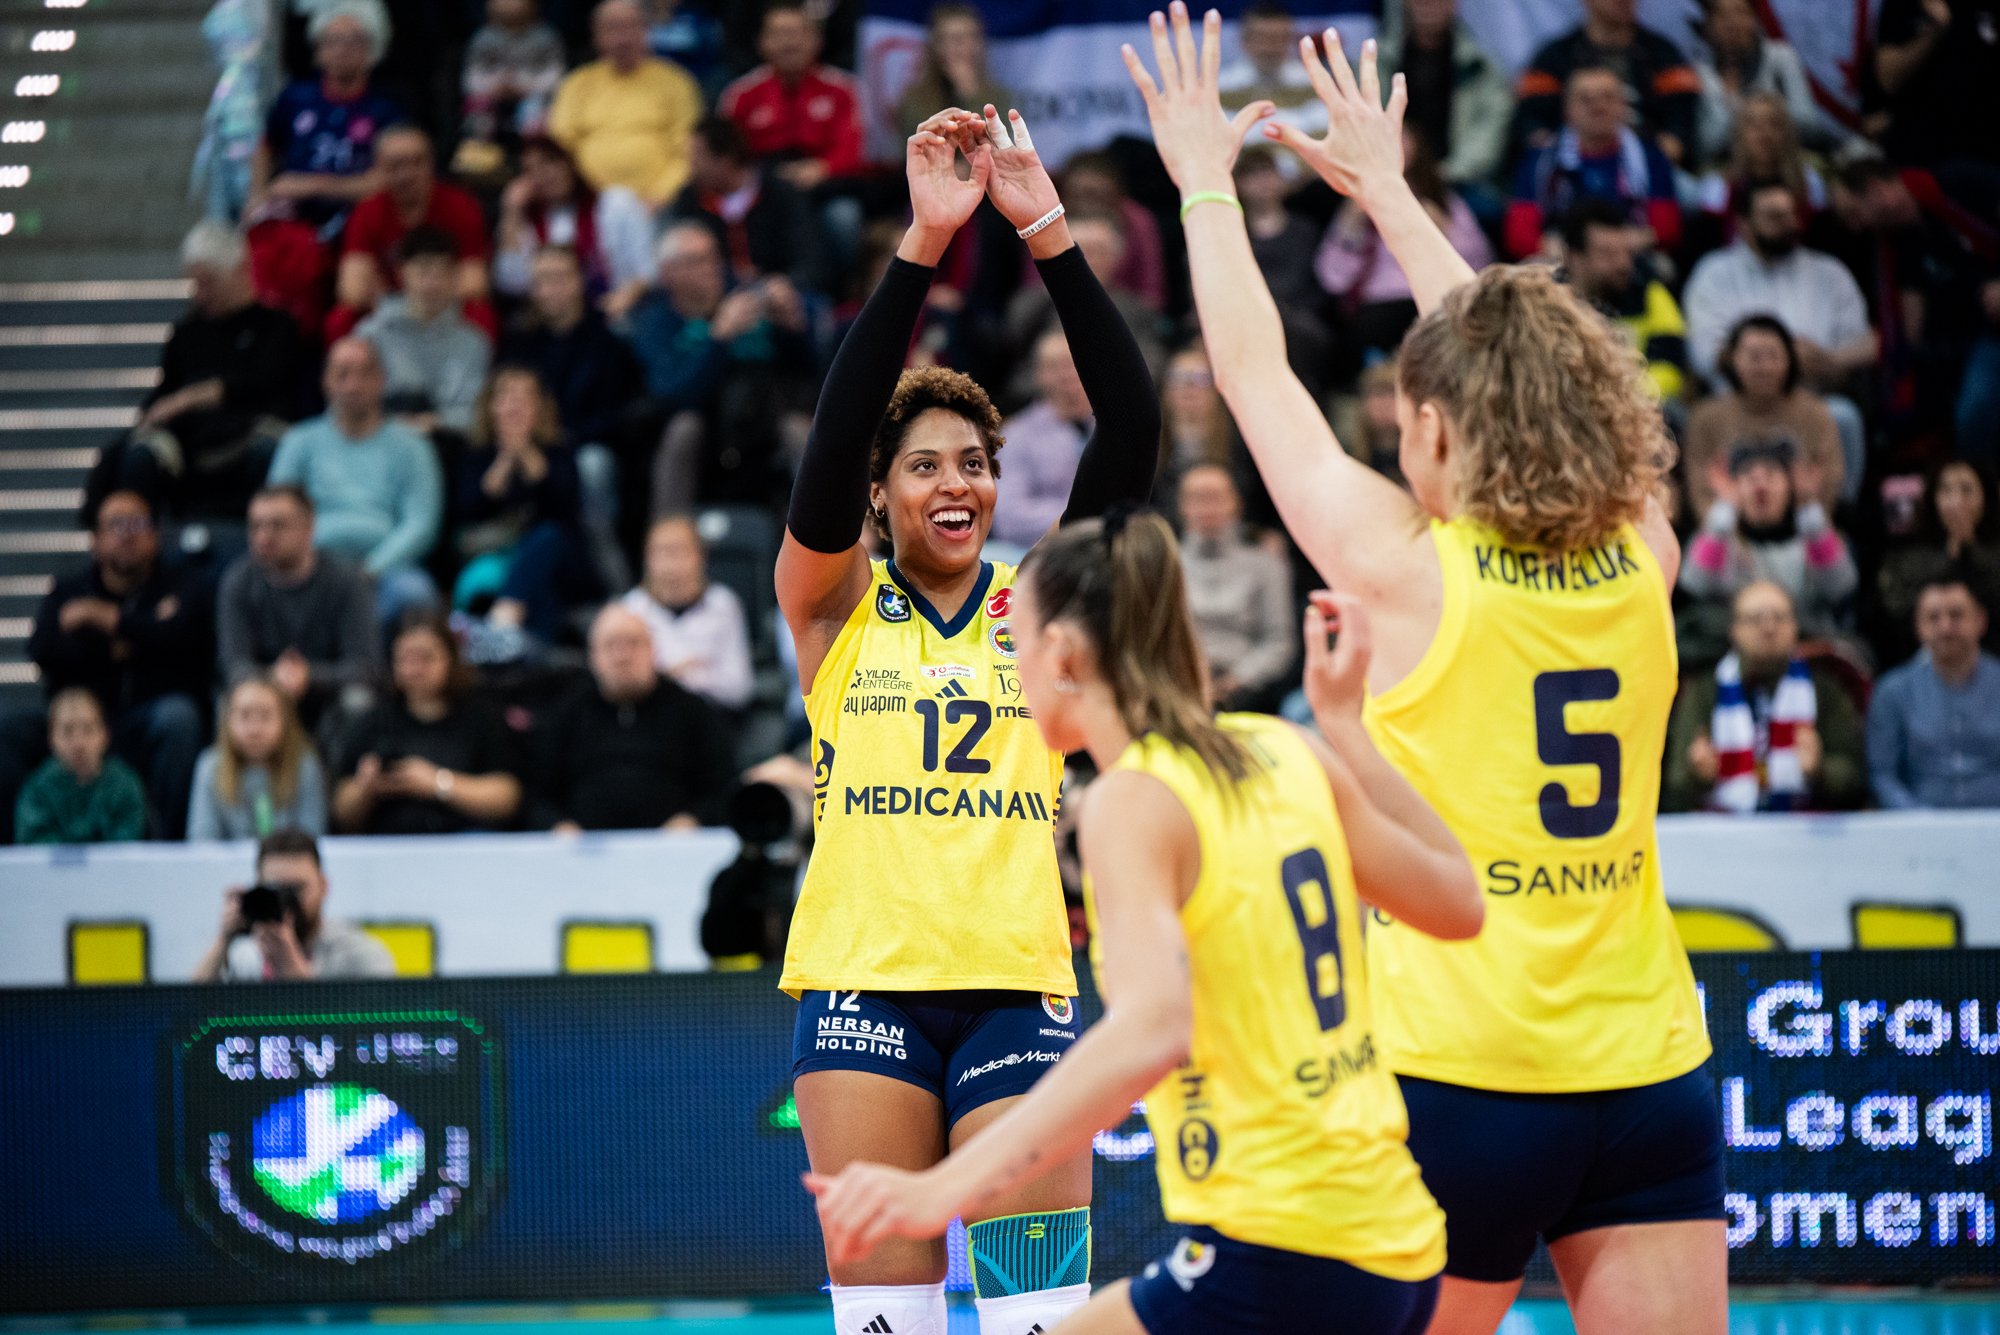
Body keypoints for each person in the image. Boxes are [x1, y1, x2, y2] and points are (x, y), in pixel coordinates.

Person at [1124, 12, 1723, 1331]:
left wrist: (1204, 183)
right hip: (1646, 1071)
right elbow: (1528, 363)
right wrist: (1389, 193)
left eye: (1407, 421)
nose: (1399, 442)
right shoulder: (1648, 549)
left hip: (1460, 1076)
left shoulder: (1406, 568)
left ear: (1442, 427)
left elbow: (1252, 375)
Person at [807, 515, 1483, 1335]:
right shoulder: (1285, 748)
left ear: (1063, 655)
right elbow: (1460, 900)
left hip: (1279, 1248)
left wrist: (940, 1189)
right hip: (1399, 1240)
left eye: (1014, 646)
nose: (1007, 670)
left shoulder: (1132, 800)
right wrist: (1343, 727)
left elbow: (1150, 1031)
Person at [774, 102, 1158, 1335]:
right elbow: (833, 438)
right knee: (884, 1320)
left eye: (976, 464)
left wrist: (1045, 231)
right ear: (879, 493)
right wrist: (924, 244)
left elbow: (1131, 425)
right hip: (860, 990)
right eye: (927, 465)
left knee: (1035, 1317)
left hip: (1016, 989)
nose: (959, 484)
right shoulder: (833, 604)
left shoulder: (1039, 602)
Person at [5, 491, 211, 843]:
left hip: (146, 721)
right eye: (116, 525)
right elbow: (42, 650)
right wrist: (135, 638)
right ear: (96, 540)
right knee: (7, 729)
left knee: (179, 720)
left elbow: (186, 641)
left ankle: (170, 847)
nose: (127, 534)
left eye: (137, 524)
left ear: (156, 535)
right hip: (79, 722)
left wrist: (103, 618)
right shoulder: (69, 589)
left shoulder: (185, 585)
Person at [90, 220, 303, 525]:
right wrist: (152, 415)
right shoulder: (186, 333)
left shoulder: (276, 326)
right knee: (132, 454)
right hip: (190, 445)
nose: (201, 294)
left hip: (251, 435)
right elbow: (166, 389)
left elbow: (265, 383)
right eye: (195, 284)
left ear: (239, 271)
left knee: (274, 451)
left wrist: (191, 398)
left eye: (209, 282)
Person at [1681, 180, 1875, 487]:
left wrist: (1828, 359)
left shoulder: (1830, 272)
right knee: (1700, 418)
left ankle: (1840, 512)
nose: (1788, 224)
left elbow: (1866, 343)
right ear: (1744, 224)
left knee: (1844, 416)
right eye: (1774, 216)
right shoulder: (1714, 273)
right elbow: (1704, 355)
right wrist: (1773, 360)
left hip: (1810, 399)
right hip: (1736, 404)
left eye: (1790, 215)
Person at [629, 222, 814, 516]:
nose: (711, 268)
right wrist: (719, 338)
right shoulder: (656, 322)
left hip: (761, 421)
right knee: (684, 429)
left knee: (799, 429)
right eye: (696, 261)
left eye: (713, 256)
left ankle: (833, 533)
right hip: (703, 433)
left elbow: (808, 376)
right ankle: (668, 532)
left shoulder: (746, 298)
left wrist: (792, 327)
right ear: (667, 274)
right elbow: (672, 393)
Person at [266, 336, 445, 630]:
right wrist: (309, 566)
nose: (353, 384)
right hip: (310, 567)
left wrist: (371, 569)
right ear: (325, 381)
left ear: (383, 379)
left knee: (415, 594)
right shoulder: (298, 442)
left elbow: (421, 524)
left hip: (387, 571)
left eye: (365, 372)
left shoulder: (413, 447)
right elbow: (277, 513)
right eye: (343, 373)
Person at [1835, 159, 2000, 467]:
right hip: (1970, 341)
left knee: (1976, 407)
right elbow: (1905, 332)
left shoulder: (1962, 185)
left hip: (1989, 335)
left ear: (1877, 191)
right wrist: (1833, 359)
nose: (1857, 228)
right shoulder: (1898, 247)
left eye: (1855, 213)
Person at [1663, 581, 1866, 813]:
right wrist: (1697, 776)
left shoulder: (1825, 689)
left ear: (1795, 626)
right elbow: (1674, 786)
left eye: (1779, 617)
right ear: (1734, 629)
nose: (1769, 628)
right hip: (1727, 829)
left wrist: (1821, 770)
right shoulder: (1704, 692)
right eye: (1755, 619)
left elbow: (1857, 781)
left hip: (1804, 825)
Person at [527, 605, 736, 830]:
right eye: (610, 645)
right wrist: (558, 827)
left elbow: (723, 788)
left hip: (675, 845)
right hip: (584, 847)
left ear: (653, 650)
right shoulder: (566, 713)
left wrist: (694, 820)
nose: (622, 656)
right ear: (593, 656)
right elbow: (536, 795)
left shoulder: (692, 711)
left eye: (633, 643)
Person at [330, 610, 522, 835]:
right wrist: (365, 788)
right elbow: (341, 814)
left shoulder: (481, 717)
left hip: (465, 840)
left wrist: (437, 783)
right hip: (389, 842)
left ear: (451, 658)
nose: (414, 670)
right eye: (404, 658)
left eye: (425, 658)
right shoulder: (374, 721)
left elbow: (508, 798)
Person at [1319, 128, 1491, 371]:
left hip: (1437, 300)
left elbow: (1479, 265)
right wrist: (1351, 230)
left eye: (1400, 135)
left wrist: (1439, 236)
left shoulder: (1443, 202)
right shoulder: (1356, 205)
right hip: (1377, 307)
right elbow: (1332, 278)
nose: (1392, 145)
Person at [452, 366, 600, 644]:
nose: (514, 407)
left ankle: (504, 616)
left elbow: (566, 511)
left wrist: (528, 456)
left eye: (524, 399)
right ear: (491, 406)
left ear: (540, 408)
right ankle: (528, 651)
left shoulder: (559, 450)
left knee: (547, 536)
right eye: (506, 397)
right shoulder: (476, 454)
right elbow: (467, 512)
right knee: (539, 587)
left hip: (562, 558)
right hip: (497, 553)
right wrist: (504, 462)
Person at [218, 484, 380, 733]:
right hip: (263, 697)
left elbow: (364, 667)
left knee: (359, 700)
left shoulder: (347, 581)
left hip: (328, 700)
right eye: (256, 526)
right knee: (234, 699)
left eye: (278, 525)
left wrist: (308, 676)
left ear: (309, 527)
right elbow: (234, 665)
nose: (264, 536)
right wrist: (273, 677)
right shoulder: (238, 582)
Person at [1680, 438, 1857, 662]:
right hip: (1732, 660)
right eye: (1749, 477)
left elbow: (1839, 585)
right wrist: (1723, 510)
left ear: (1789, 485)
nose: (1761, 485)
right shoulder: (1724, 543)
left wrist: (1808, 506)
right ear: (1735, 486)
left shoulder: (1811, 541)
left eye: (1771, 475)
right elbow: (1696, 583)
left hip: (1808, 659)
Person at [246, 1, 401, 230]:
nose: (341, 50)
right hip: (292, 221)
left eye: (354, 41)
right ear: (317, 48)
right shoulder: (295, 97)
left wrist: (314, 185)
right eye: (332, 41)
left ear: (373, 48)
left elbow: (387, 179)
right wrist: (257, 195)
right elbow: (265, 146)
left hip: (359, 221)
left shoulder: (387, 108)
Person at [1506, 64, 1680, 261]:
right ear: (1567, 108)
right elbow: (1518, 235)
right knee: (1530, 265)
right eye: (1585, 99)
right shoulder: (1541, 159)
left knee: (1661, 265)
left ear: (1624, 104)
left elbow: (1668, 230)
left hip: (1631, 255)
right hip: (1561, 256)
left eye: (1608, 97)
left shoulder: (1649, 156)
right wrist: (1575, 253)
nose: (1598, 106)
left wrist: (1611, 247)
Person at [335, 126, 493, 335]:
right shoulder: (367, 211)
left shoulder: (462, 207)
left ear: (431, 164)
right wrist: (404, 305)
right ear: (378, 168)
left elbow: (474, 285)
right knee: (340, 320)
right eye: (395, 166)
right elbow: (352, 290)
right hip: (386, 313)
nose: (406, 175)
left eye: (416, 163)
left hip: (443, 308)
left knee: (481, 315)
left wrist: (419, 298)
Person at [548, 0, 704, 208]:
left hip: (661, 205)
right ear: (596, 37)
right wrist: (583, 200)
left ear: (647, 31)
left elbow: (689, 152)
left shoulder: (677, 82)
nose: (622, 38)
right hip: (586, 205)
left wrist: (660, 196)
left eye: (631, 26)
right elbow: (560, 148)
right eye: (612, 28)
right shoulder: (576, 84)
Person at [1684, 315, 1844, 518]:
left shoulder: (1814, 413)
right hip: (1725, 530)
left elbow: (1828, 481)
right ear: (1731, 360)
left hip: (1805, 528)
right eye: (1754, 357)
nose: (1765, 368)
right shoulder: (1706, 418)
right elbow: (1701, 492)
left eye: (1773, 357)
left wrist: (1809, 518)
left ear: (1790, 359)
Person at [1511, 0, 1700, 165]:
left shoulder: (1664, 55)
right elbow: (1532, 125)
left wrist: (1650, 163)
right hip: (1573, 167)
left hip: (1647, 167)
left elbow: (1681, 124)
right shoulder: (1553, 57)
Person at [193, 829, 397, 981]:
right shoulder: (245, 955)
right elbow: (190, 1011)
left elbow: (377, 1020)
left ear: (323, 886)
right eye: (274, 889)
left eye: (296, 889)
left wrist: (290, 965)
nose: (287, 902)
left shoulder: (358, 954)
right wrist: (223, 940)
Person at [1867, 577, 2000, 809]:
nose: (1945, 627)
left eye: (1956, 615)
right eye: (1933, 617)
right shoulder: (1893, 691)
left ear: (1980, 620)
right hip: (1919, 824)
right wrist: (1918, 821)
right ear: (1919, 626)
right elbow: (1882, 776)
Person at [664, 116, 825, 292]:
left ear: (725, 159)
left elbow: (810, 260)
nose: (692, 167)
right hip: (719, 298)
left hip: (784, 293)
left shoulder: (780, 193)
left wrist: (781, 285)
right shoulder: (689, 200)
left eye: (698, 158)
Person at [1178, 465, 1294, 712]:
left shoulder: (1266, 565)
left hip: (1249, 690)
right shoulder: (1168, 564)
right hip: (1180, 686)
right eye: (1197, 498)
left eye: (1215, 497)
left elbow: (1279, 640)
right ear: (1182, 506)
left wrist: (1237, 680)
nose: (1206, 508)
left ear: (1235, 503)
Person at [355, 226, 493, 434]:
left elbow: (477, 415)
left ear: (456, 276)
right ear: (401, 273)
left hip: (447, 439)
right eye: (423, 271)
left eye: (442, 272)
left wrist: (436, 422)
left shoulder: (474, 342)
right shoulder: (369, 335)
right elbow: (351, 402)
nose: (432, 283)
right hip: (380, 437)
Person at [494, 136, 655, 312]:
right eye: (531, 170)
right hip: (559, 317)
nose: (544, 174)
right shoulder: (528, 223)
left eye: (550, 161)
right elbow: (513, 283)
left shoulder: (616, 204)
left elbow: (648, 270)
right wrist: (511, 213)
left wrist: (625, 299)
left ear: (569, 163)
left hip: (619, 309)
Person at [716, 3, 863, 193]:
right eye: (780, 34)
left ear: (818, 40)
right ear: (761, 42)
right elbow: (727, 154)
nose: (790, 43)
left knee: (845, 209)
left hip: (826, 182)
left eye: (799, 33)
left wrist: (823, 168)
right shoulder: (740, 94)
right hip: (761, 188)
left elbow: (855, 146)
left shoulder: (845, 89)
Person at [619, 514, 754, 711]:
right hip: (648, 714)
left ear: (701, 556)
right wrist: (691, 669)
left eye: (679, 551)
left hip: (711, 714)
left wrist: (672, 676)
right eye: (660, 552)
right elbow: (622, 683)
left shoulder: (723, 604)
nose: (670, 563)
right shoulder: (630, 608)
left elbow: (739, 688)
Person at [1377, 0, 1512, 196]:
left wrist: (1441, 176)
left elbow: (1488, 136)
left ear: (1456, 3)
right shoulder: (1377, 61)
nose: (1427, 3)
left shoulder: (1482, 66)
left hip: (1460, 182)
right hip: (1388, 176)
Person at [1560, 199, 1687, 405]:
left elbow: (1668, 370)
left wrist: (1616, 400)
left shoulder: (1651, 295)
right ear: (1573, 257)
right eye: (1608, 254)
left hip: (1638, 408)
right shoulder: (1546, 304)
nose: (1623, 264)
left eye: (1627, 252)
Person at [1877, 461, 2000, 658]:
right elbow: (1896, 614)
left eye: (1966, 490)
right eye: (1946, 490)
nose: (1956, 501)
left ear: (1985, 497)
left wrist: (1969, 551)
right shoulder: (1908, 554)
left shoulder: (1994, 554)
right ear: (1932, 498)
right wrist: (1949, 557)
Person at [188, 676, 328, 840]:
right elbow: (202, 842)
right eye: (245, 715)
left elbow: (311, 841)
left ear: (285, 720)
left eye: (265, 716)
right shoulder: (211, 766)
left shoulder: (304, 766)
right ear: (227, 720)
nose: (255, 729)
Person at [1691, 0, 1827, 167]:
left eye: (1740, 12)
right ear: (1709, 22)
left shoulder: (1781, 58)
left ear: (1754, 17)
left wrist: (1763, 123)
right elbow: (1707, 144)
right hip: (1730, 169)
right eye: (1722, 15)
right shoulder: (1701, 73)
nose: (1732, 22)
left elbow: (1807, 122)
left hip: (1787, 162)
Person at [992, 331, 1093, 549]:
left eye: (1073, 363)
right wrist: (1079, 514)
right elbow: (1008, 517)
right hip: (1045, 548)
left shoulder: (1114, 425)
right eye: (1054, 367)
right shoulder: (1018, 434)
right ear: (1038, 375)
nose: (1066, 375)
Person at [1873, 0, 2000, 168]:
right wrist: (1936, 30)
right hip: (1918, 155)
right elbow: (1889, 80)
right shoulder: (1910, 6)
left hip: (1983, 160)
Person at [14, 689, 149, 845]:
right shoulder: (37, 790)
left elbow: (127, 843)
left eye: (88, 730)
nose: (79, 743)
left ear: (105, 735)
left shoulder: (126, 785)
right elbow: (35, 844)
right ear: (51, 738)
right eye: (68, 731)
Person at [457, 0, 565, 161]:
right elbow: (470, 80)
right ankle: (480, 158)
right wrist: (494, 86)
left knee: (536, 108)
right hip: (491, 95)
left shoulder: (546, 38)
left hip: (533, 95)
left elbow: (556, 78)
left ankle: (533, 156)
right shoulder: (482, 39)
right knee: (477, 105)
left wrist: (526, 87)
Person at [1218, 4, 1329, 148]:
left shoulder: (1311, 82)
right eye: (1262, 38)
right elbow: (1219, 134)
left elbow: (1322, 127)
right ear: (1244, 40)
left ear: (1290, 40)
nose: (1270, 48)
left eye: (1278, 39)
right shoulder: (1221, 85)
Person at [893, 4, 1008, 139]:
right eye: (957, 39)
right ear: (937, 46)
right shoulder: (914, 100)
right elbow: (913, 145)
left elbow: (995, 145)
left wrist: (968, 94)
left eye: (973, 37)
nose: (967, 47)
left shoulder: (1000, 97)